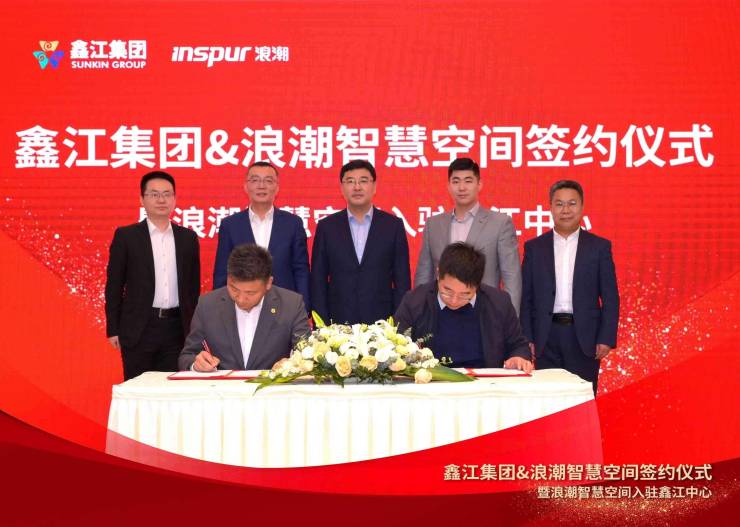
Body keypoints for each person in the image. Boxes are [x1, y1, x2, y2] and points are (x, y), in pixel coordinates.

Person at [520, 180, 619, 393]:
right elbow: (526, 298)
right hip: (545, 336)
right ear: (550, 207)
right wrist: (527, 337)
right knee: (548, 399)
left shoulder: (599, 247)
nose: (565, 210)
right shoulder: (535, 248)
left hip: (584, 337)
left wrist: (606, 337)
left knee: (582, 399)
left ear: (582, 207)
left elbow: (610, 297)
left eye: (572, 203)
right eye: (559, 204)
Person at [105, 171, 201, 380]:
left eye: (167, 194)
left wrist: (195, 329)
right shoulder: (127, 236)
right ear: (142, 199)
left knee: (172, 389)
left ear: (174, 199)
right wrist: (113, 328)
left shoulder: (187, 238)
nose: (161, 200)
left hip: (177, 329)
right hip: (139, 328)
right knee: (137, 388)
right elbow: (114, 286)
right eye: (154, 194)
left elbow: (193, 289)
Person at [395, 242, 532, 372]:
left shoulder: (499, 302)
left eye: (465, 294)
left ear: (477, 285)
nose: (454, 301)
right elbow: (396, 344)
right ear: (438, 274)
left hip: (484, 382)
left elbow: (518, 345)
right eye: (447, 291)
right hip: (432, 380)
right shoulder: (415, 301)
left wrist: (518, 357)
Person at [414, 157, 522, 314]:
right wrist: (419, 314)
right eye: (456, 181)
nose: (462, 187)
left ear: (479, 184)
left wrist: (510, 319)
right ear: (448, 186)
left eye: (468, 181)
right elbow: (424, 276)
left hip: (484, 313)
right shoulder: (433, 225)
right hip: (440, 313)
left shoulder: (500, 223)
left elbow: (511, 278)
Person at [179, 244, 309, 371]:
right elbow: (187, 356)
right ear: (228, 278)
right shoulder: (208, 304)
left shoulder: (291, 305)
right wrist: (196, 364)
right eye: (234, 289)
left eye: (250, 293)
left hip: (271, 384)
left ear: (268, 283)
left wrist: (292, 364)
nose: (240, 299)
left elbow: (307, 354)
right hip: (222, 385)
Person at [310, 160, 411, 324]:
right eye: (350, 181)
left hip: (383, 324)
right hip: (337, 324)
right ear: (342, 188)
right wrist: (321, 326)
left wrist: (399, 324)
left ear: (374, 186)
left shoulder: (393, 226)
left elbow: (402, 281)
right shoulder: (326, 227)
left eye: (363, 181)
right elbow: (318, 280)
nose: (357, 187)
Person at [213, 161, 310, 310]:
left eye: (268, 181)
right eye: (255, 180)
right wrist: (222, 309)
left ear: (277, 188)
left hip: (284, 306)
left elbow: (301, 269)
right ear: (246, 186)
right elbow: (222, 272)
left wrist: (303, 307)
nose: (261, 186)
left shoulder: (293, 223)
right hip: (242, 306)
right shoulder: (230, 225)